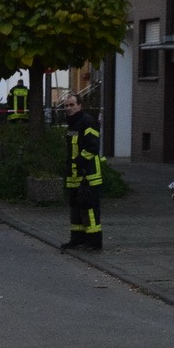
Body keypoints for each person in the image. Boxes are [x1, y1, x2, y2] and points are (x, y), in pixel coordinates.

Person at [61, 93, 103, 251]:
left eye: (72, 105)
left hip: (88, 176)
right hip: (74, 176)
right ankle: (77, 239)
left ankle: (94, 242)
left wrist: (78, 162)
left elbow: (92, 148)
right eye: (66, 106)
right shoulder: (73, 124)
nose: (68, 108)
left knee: (89, 210)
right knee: (76, 209)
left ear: (80, 105)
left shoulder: (87, 122)